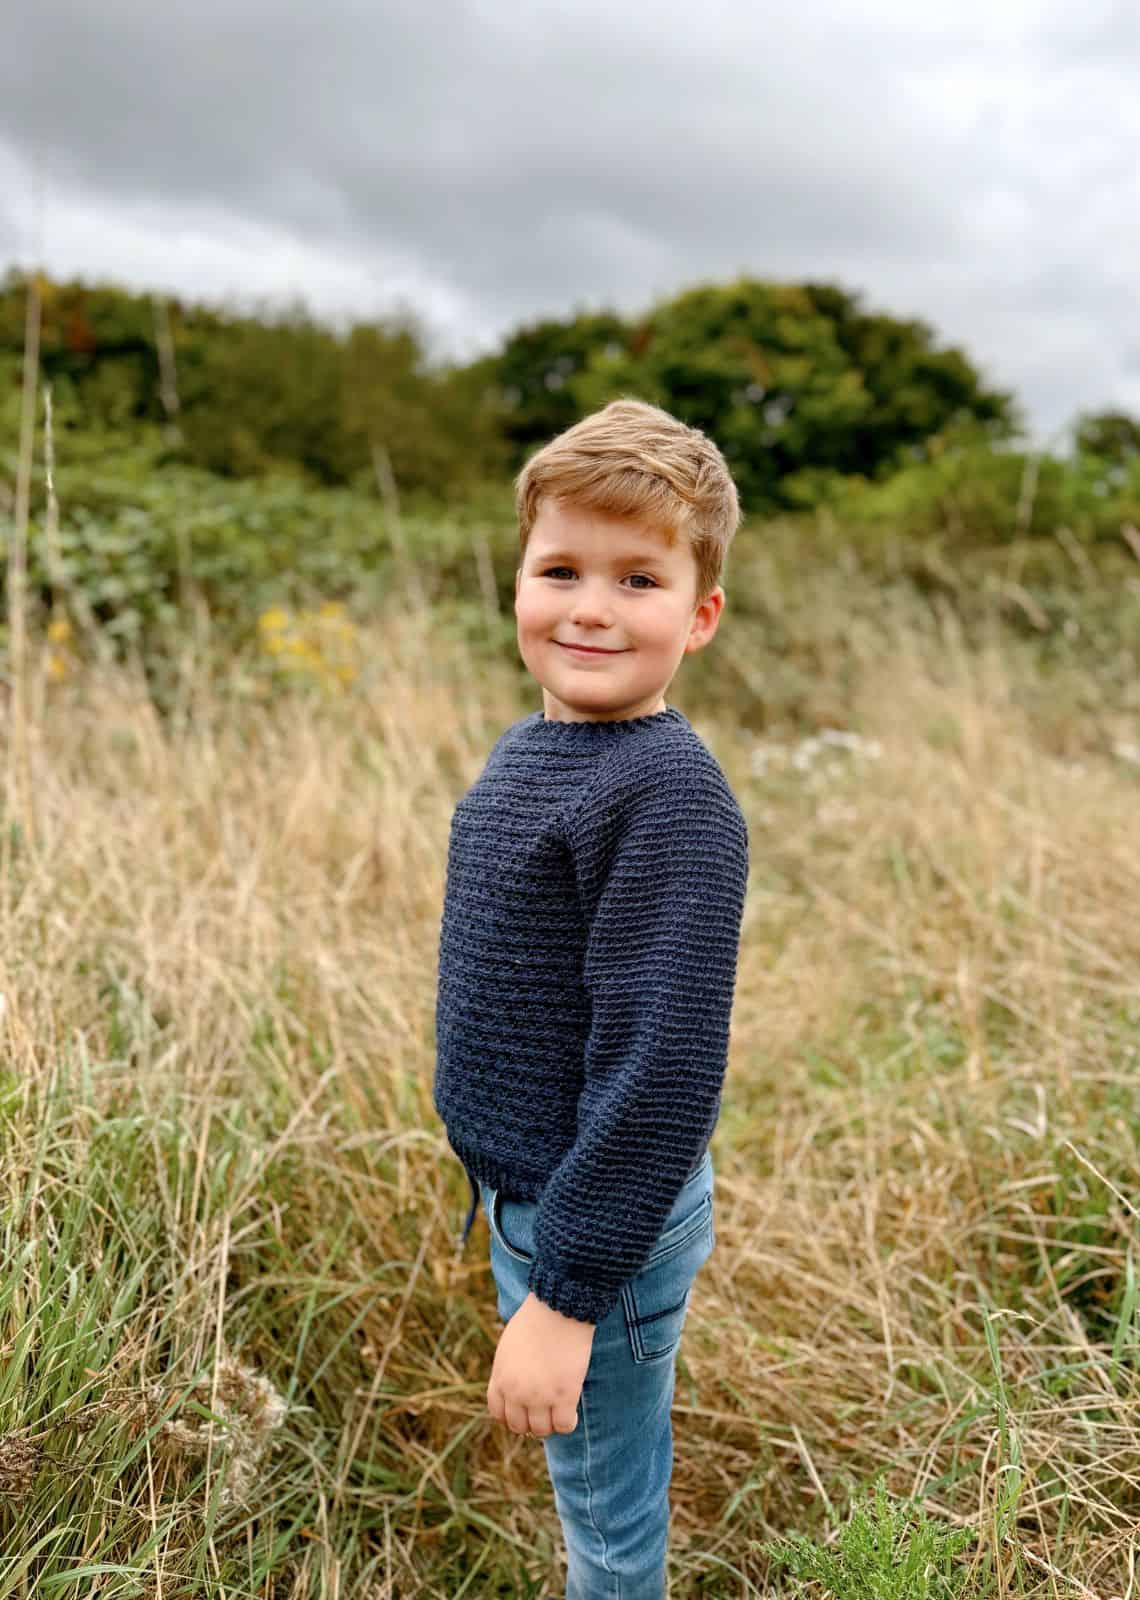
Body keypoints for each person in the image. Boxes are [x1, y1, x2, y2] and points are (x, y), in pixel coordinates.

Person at [433, 396, 750, 1600]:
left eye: (638, 579)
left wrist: (565, 1297)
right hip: (540, 1200)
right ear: (516, 579)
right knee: (594, 1479)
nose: (591, 607)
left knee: (608, 1518)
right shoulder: (537, 747)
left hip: (598, 1221)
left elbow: (661, 1070)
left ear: (700, 613)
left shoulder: (668, 796)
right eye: (560, 567)